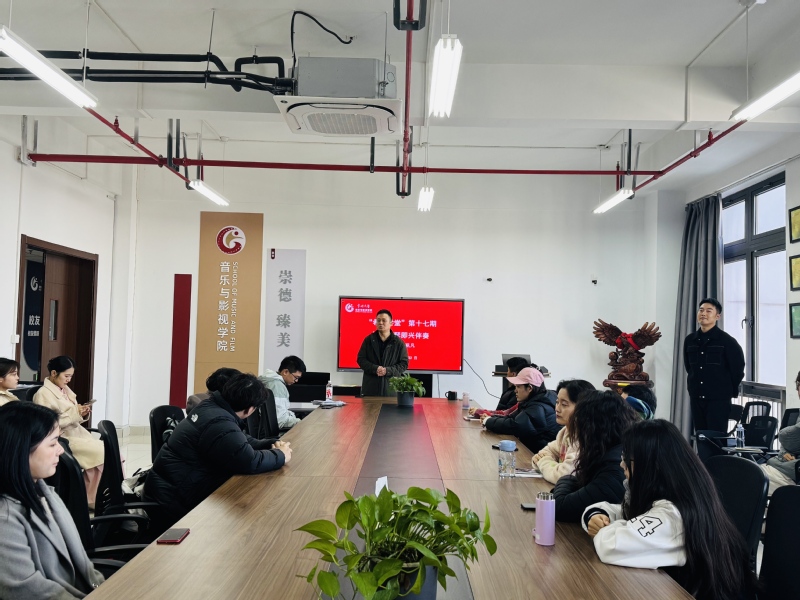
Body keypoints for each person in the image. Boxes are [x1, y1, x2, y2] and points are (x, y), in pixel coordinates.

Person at [582, 419, 757, 600]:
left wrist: (604, 529)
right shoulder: (678, 493)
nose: (622, 464)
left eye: (627, 458)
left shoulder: (672, 515)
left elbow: (611, 546)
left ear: (650, 465)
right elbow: (619, 511)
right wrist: (596, 515)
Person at [144, 373, 292, 531]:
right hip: (173, 503)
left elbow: (240, 440)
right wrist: (281, 455)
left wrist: (270, 443)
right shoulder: (220, 422)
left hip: (170, 490)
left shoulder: (211, 407)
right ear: (250, 409)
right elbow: (249, 461)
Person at [0, 402, 105, 599]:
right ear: (21, 448)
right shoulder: (5, 518)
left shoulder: (44, 492)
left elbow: (84, 568)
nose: (61, 450)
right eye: (53, 443)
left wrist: (106, 590)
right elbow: (27, 590)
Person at [552, 390, 637, 522]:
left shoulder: (615, 467)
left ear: (592, 429)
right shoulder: (609, 453)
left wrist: (566, 478)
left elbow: (559, 507)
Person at [33, 356, 104, 507]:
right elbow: (47, 425)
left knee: (112, 452)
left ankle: (111, 494)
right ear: (54, 373)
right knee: (101, 453)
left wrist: (81, 412)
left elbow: (72, 416)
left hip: (76, 433)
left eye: (71, 376)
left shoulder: (65, 390)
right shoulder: (43, 394)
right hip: (62, 439)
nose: (69, 380)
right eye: (66, 376)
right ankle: (91, 499)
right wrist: (75, 413)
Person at [683, 298, 745, 433]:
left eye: (708, 311)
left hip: (719, 399)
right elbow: (689, 367)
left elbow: (737, 370)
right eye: (701, 310)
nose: (703, 313)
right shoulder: (690, 340)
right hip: (696, 397)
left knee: (716, 438)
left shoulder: (727, 341)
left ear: (717, 316)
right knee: (701, 436)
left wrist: (726, 389)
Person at [531, 379, 595, 484]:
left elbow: (563, 476)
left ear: (583, 407)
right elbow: (541, 454)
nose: (557, 408)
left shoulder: (585, 436)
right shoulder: (567, 431)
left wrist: (543, 461)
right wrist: (549, 464)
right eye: (557, 402)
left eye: (564, 404)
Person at [481, 367, 560, 452]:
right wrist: (490, 418)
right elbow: (511, 418)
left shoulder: (538, 407)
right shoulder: (533, 401)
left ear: (529, 388)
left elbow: (515, 426)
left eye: (518, 387)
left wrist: (488, 421)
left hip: (539, 455)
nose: (515, 391)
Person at [760, 370, 800, 495]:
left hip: (790, 476)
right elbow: (787, 446)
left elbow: (786, 437)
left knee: (747, 480)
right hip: (785, 470)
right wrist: (784, 454)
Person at [357, 309, 409, 396]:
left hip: (391, 389)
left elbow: (404, 364)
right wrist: (375, 368)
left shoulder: (398, 343)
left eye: (384, 320)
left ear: (391, 323)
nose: (380, 323)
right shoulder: (368, 340)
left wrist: (387, 370)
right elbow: (361, 360)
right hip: (370, 389)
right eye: (378, 320)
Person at [258, 355, 306, 429]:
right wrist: (300, 422)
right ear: (285, 372)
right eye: (296, 377)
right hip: (276, 432)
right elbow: (279, 421)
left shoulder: (269, 381)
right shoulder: (277, 386)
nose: (296, 381)